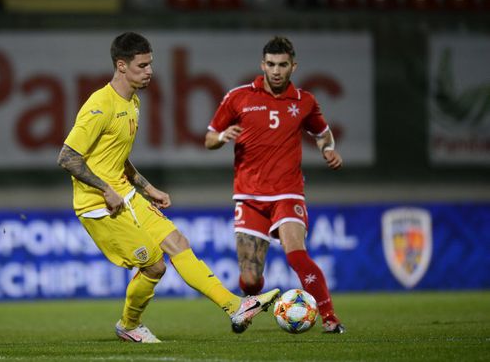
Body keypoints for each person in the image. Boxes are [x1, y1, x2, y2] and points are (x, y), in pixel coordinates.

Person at [57, 32, 280, 343]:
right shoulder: (99, 106)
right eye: (142, 65)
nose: (150, 70)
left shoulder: (132, 101)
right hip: (99, 205)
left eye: (151, 64)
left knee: (177, 241)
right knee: (154, 266)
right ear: (121, 66)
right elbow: (68, 158)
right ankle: (129, 325)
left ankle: (236, 307)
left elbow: (117, 159)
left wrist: (148, 188)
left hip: (128, 195)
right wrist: (105, 189)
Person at [204, 36, 345, 333]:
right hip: (248, 195)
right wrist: (222, 137)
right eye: (271, 64)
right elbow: (209, 139)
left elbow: (323, 134)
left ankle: (330, 318)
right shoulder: (238, 97)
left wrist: (327, 149)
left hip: (288, 191)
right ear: (262, 65)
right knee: (251, 279)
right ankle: (249, 306)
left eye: (282, 65)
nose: (276, 70)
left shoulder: (304, 101)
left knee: (296, 253)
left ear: (293, 66)